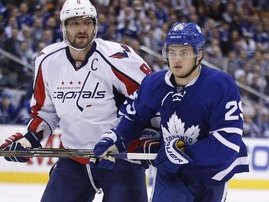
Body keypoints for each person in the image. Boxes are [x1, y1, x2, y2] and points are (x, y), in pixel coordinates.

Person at [0, 0, 152, 202]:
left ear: (95, 26)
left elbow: (151, 101)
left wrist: (144, 138)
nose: (82, 29)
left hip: (120, 160)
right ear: (64, 27)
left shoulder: (119, 59)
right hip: (73, 160)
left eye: (87, 22)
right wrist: (28, 139)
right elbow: (45, 113)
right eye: (75, 23)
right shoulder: (47, 61)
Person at [92, 22, 250, 202]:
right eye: (172, 52)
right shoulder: (155, 83)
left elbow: (227, 143)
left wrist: (180, 152)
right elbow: (133, 118)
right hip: (171, 174)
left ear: (199, 54)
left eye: (184, 53)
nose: (176, 59)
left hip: (211, 173)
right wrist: (114, 141)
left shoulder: (221, 85)